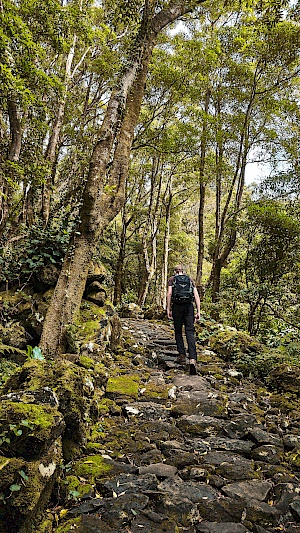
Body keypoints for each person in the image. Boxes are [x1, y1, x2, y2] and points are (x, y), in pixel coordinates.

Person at [166, 264, 201, 375]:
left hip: (177, 307)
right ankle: (192, 359)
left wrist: (168, 308)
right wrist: (198, 311)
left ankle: (181, 355)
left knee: (178, 331)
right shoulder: (189, 280)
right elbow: (196, 295)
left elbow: (169, 293)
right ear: (182, 271)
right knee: (190, 332)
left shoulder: (172, 279)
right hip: (189, 307)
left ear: (175, 271)